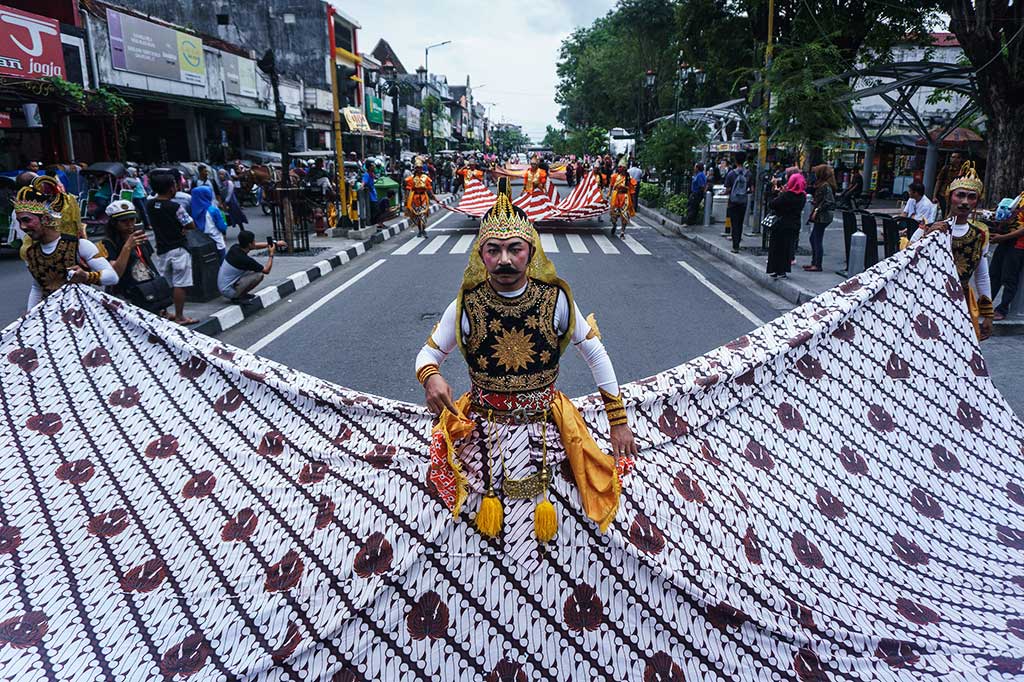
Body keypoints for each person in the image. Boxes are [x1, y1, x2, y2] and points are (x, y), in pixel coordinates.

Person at [414, 177, 637, 544]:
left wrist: (619, 422)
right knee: (472, 531)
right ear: (481, 254)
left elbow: (595, 352)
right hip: (482, 430)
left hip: (548, 428)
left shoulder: (556, 300)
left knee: (565, 526)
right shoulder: (466, 304)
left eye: (514, 249)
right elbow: (428, 353)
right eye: (494, 250)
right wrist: (430, 376)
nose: (504, 260)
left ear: (531, 251)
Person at [913, 161, 993, 340]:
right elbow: (907, 258)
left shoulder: (980, 234)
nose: (965, 202)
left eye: (971, 197)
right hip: (927, 300)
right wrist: (926, 236)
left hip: (961, 302)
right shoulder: (928, 227)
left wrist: (988, 314)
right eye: (960, 195)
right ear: (950, 197)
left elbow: (982, 275)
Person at [14, 182, 117, 310]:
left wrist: (87, 276)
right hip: (51, 316)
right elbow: (37, 287)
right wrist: (30, 315)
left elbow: (112, 277)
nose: (22, 227)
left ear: (45, 219)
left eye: (26, 220)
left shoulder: (80, 245)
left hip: (80, 314)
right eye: (19, 222)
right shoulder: (31, 253)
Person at [100, 199, 170, 312]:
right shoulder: (107, 243)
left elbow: (149, 264)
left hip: (146, 291)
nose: (129, 224)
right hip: (125, 295)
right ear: (114, 223)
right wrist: (127, 247)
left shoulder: (139, 237)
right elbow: (116, 274)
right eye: (124, 221)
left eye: (132, 219)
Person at [147, 172, 197, 325]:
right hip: (178, 248)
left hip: (162, 249)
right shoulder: (175, 207)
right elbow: (190, 224)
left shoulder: (150, 205)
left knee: (165, 283)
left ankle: (164, 312)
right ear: (170, 188)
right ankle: (180, 316)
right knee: (180, 284)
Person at [217, 229, 284, 303]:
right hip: (228, 290)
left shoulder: (235, 248)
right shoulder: (245, 259)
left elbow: (255, 246)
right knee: (259, 275)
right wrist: (271, 254)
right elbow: (266, 270)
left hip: (224, 286)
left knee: (252, 270)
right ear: (249, 244)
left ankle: (241, 294)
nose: (255, 242)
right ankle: (238, 296)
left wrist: (275, 244)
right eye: (254, 241)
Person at [766, 173, 806, 279]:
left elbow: (772, 204)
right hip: (793, 224)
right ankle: (783, 270)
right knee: (787, 248)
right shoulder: (802, 196)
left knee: (776, 248)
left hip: (781, 224)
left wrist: (776, 192)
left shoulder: (787, 195)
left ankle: (775, 269)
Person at [991, 209, 1024, 321]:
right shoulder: (1020, 200)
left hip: (1018, 245)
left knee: (1009, 278)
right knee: (994, 275)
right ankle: (985, 304)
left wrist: (1002, 237)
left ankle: (1002, 309)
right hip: (1005, 241)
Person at [804, 164, 836, 272]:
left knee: (816, 239)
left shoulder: (825, 186)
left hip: (823, 216)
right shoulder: (822, 184)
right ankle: (814, 263)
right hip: (822, 215)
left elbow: (829, 201)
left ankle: (817, 264)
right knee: (814, 238)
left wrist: (817, 209)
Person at [190, 185, 228, 260]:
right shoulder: (213, 210)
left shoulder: (192, 211)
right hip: (216, 241)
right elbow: (222, 227)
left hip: (200, 243)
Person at [724, 157, 750, 253]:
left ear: (735, 162)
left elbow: (727, 189)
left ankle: (735, 245)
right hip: (743, 201)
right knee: (740, 222)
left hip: (733, 202)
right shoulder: (748, 174)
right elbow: (751, 189)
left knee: (734, 223)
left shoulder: (731, 174)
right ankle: (738, 240)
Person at [405, 160, 436, 238]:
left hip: (423, 197)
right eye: (417, 168)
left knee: (423, 215)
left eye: (420, 168)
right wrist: (407, 200)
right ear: (415, 168)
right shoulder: (411, 178)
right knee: (417, 215)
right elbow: (408, 189)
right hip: (414, 198)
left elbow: (429, 188)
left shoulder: (426, 178)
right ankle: (420, 230)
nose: (419, 169)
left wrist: (433, 197)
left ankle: (424, 230)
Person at [608, 158, 637, 238]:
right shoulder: (614, 176)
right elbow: (611, 186)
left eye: (622, 167)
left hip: (625, 198)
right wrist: (609, 193)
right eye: (619, 167)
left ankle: (622, 231)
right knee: (614, 215)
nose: (620, 168)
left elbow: (632, 191)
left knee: (624, 215)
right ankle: (614, 225)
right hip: (616, 197)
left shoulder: (629, 178)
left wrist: (633, 202)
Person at [932, 152, 963, 219]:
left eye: (955, 157)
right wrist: (934, 196)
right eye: (952, 157)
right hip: (943, 194)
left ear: (959, 159)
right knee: (944, 213)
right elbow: (939, 182)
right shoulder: (946, 168)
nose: (953, 159)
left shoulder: (962, 170)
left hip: (956, 195)